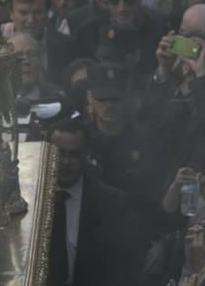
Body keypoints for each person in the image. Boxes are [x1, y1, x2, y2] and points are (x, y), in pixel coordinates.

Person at [46, 118, 137, 285]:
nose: (65, 162)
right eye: (59, 154)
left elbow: (120, 266)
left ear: (87, 154)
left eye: (74, 154)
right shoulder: (27, 199)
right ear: (46, 153)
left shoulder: (111, 204)